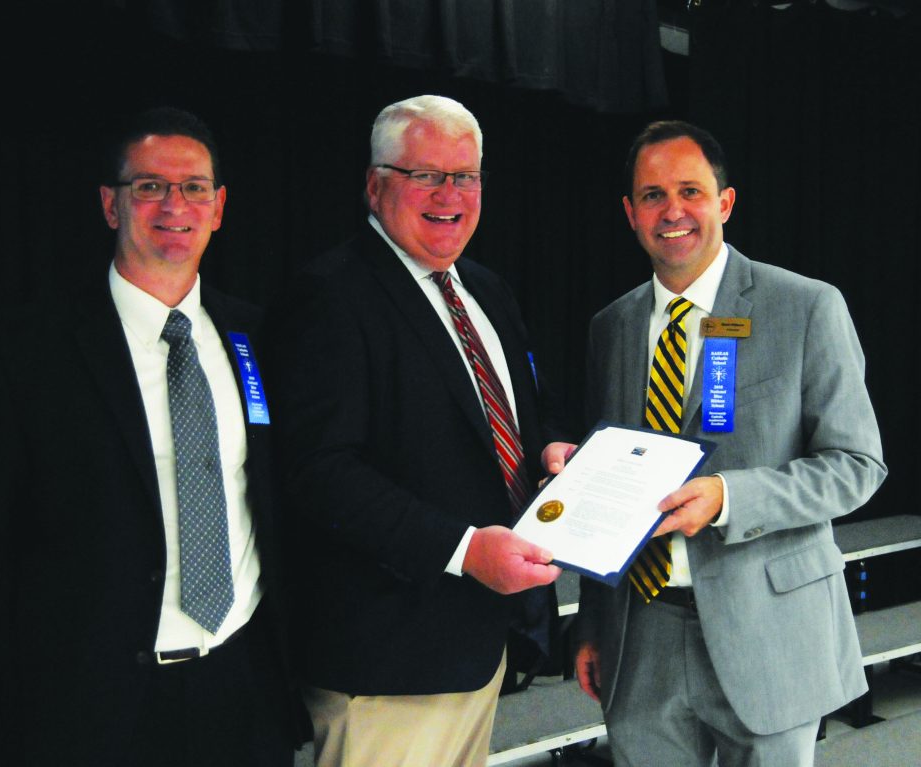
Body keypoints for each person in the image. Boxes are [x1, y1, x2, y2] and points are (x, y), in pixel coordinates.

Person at [0, 107, 301, 766]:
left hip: (242, 687)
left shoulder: (259, 336)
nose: (174, 204)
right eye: (149, 187)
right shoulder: (24, 351)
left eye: (194, 187)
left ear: (218, 207)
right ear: (112, 205)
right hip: (95, 708)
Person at [551, 120, 886, 766]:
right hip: (640, 636)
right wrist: (593, 623)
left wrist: (729, 496)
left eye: (690, 191)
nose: (672, 211)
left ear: (725, 202)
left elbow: (857, 464)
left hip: (770, 632)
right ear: (629, 213)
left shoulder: (806, 307)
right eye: (651, 195)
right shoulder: (610, 328)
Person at [262, 94, 564, 767]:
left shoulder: (487, 290)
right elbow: (322, 472)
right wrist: (463, 549)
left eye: (466, 176)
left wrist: (549, 449)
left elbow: (517, 419)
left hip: (478, 646)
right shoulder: (329, 295)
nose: (449, 194)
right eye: (424, 174)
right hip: (385, 665)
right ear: (376, 185)